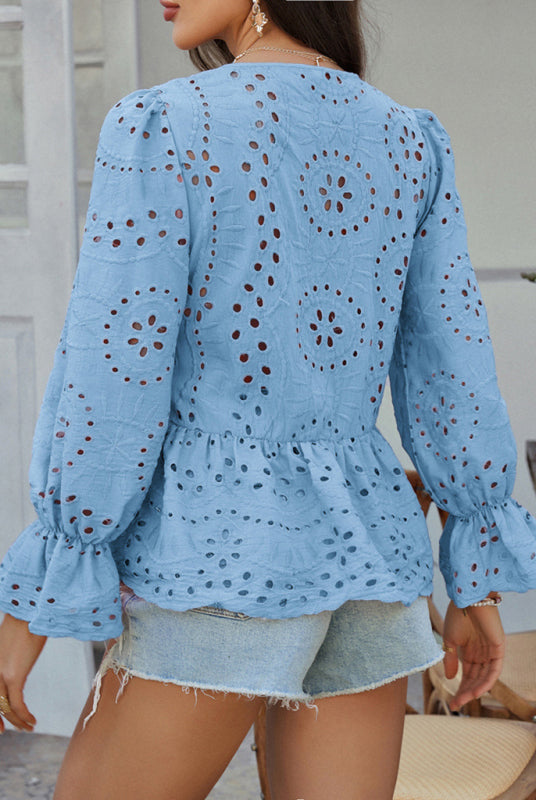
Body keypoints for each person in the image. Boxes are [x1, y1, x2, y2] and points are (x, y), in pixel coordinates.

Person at [0, 1, 534, 798]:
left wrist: (40, 590)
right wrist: (474, 575)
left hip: (215, 560)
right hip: (367, 556)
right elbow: (452, 369)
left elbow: (113, 374)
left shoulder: (164, 125)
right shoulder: (409, 139)